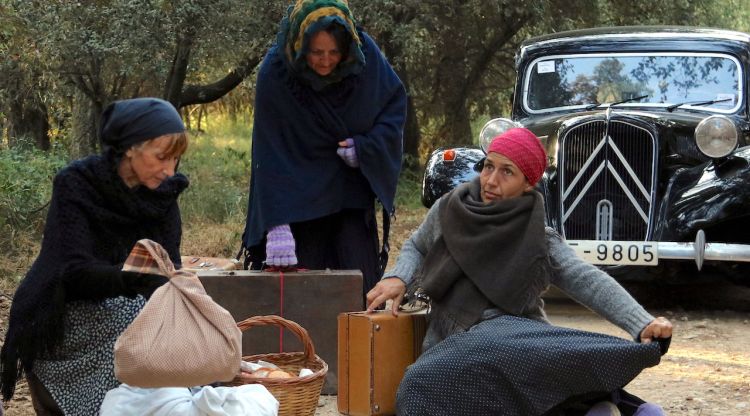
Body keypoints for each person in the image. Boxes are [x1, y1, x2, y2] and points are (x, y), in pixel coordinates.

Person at [366, 127, 673, 416]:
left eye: (507, 172)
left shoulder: (539, 236)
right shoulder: (448, 209)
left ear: (528, 183)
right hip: (453, 340)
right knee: (421, 384)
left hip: (515, 338)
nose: (490, 180)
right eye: (488, 166)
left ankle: (629, 409)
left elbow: (586, 279)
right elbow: (417, 247)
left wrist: (641, 323)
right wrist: (398, 277)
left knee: (536, 370)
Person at [0, 97, 189, 415]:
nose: (169, 171)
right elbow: (73, 272)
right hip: (62, 310)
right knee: (129, 318)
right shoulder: (77, 185)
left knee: (182, 337)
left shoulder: (164, 196)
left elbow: (169, 266)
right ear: (131, 147)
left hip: (128, 305)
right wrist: (136, 279)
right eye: (161, 158)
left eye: (176, 160)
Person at [240, 0, 406, 297]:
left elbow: (393, 106)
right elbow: (269, 152)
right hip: (297, 205)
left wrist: (366, 148)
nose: (326, 61)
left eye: (334, 52)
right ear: (301, 46)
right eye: (316, 52)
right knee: (299, 301)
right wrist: (276, 224)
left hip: (350, 194)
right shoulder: (276, 73)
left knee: (359, 293)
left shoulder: (364, 57)